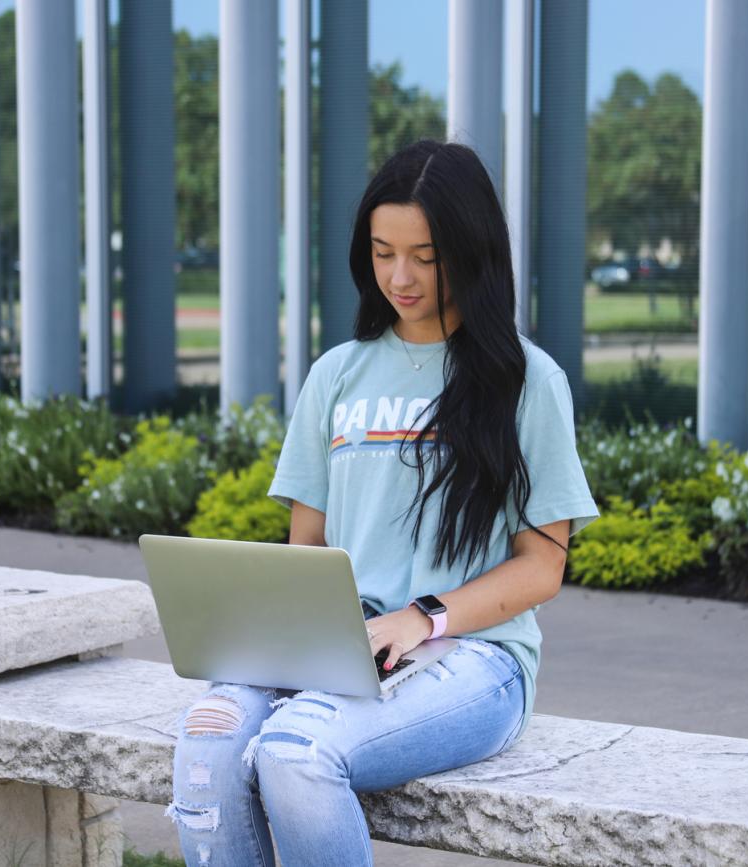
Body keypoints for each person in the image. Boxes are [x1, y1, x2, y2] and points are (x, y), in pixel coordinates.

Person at [165, 139, 598, 867]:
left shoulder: (527, 380)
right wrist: (278, 637)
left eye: (426, 256)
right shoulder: (337, 373)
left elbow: (541, 566)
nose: (401, 276)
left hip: (474, 658)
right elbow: (306, 551)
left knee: (295, 753)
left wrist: (423, 616)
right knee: (206, 739)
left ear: (471, 250)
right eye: (382, 251)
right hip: (340, 645)